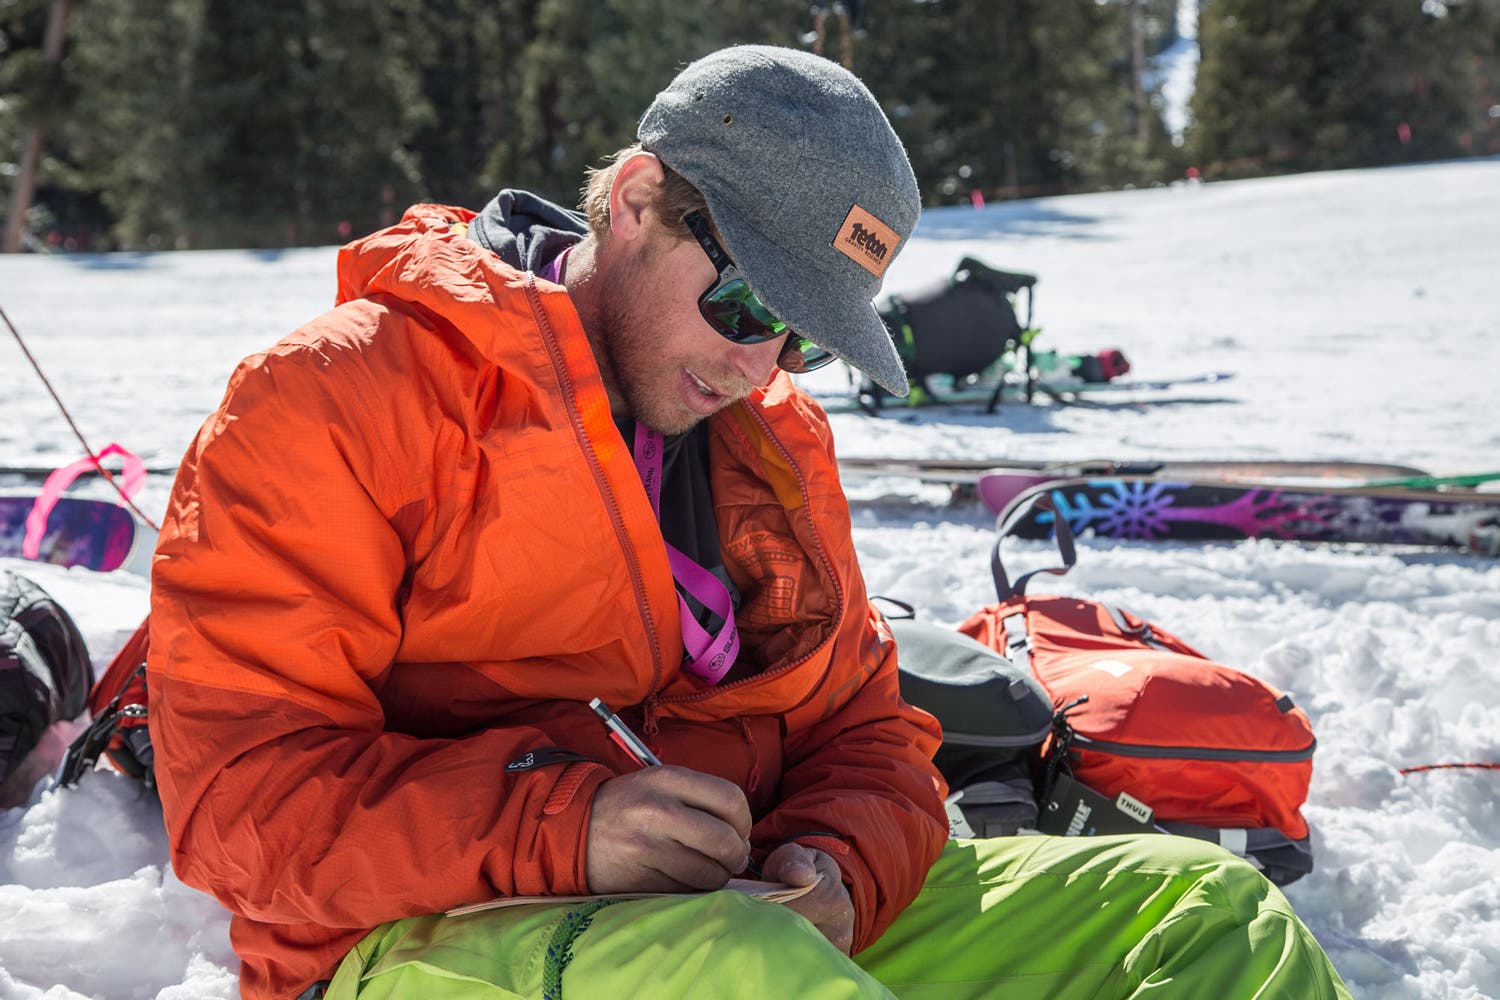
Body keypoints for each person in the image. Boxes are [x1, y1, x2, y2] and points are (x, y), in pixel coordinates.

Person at [147, 45, 1351, 1000]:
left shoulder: (772, 440)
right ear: (637, 201)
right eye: (745, 303)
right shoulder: (339, 397)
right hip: (425, 939)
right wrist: (566, 825)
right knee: (751, 973)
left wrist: (840, 868)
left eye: (803, 338)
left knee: (1209, 914)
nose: (759, 364)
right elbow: (236, 807)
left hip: (749, 923)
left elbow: (870, 729)